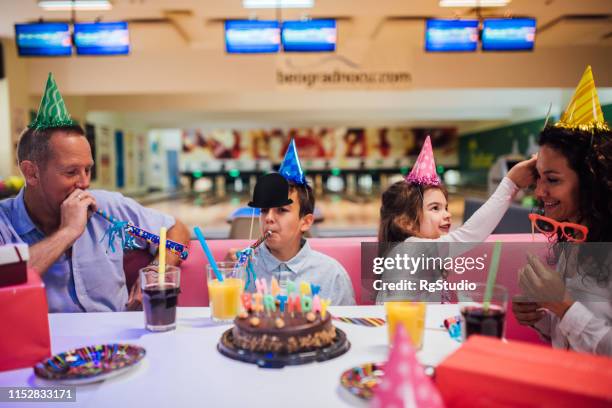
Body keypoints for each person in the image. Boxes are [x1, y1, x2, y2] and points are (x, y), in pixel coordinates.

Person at [0, 73, 190, 313]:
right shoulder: (4, 223)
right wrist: (68, 232)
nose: (84, 182)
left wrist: (156, 271)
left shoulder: (107, 206)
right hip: (47, 347)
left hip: (117, 344)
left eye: (88, 169)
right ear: (31, 173)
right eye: (71, 172)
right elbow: (6, 282)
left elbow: (176, 229)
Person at [512, 66, 612, 356]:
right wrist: (543, 318)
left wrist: (563, 306)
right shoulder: (572, 237)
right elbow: (571, 339)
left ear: (593, 179)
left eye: (552, 180)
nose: (539, 193)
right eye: (538, 178)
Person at [376, 135, 536, 302]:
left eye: (446, 207)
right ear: (405, 222)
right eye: (435, 208)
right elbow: (469, 234)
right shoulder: (409, 249)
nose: (447, 214)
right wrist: (511, 183)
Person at [228, 140, 355, 305]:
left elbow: (346, 327)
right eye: (264, 210)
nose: (269, 218)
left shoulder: (331, 274)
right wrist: (232, 273)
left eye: (282, 210)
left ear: (306, 222)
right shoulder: (244, 269)